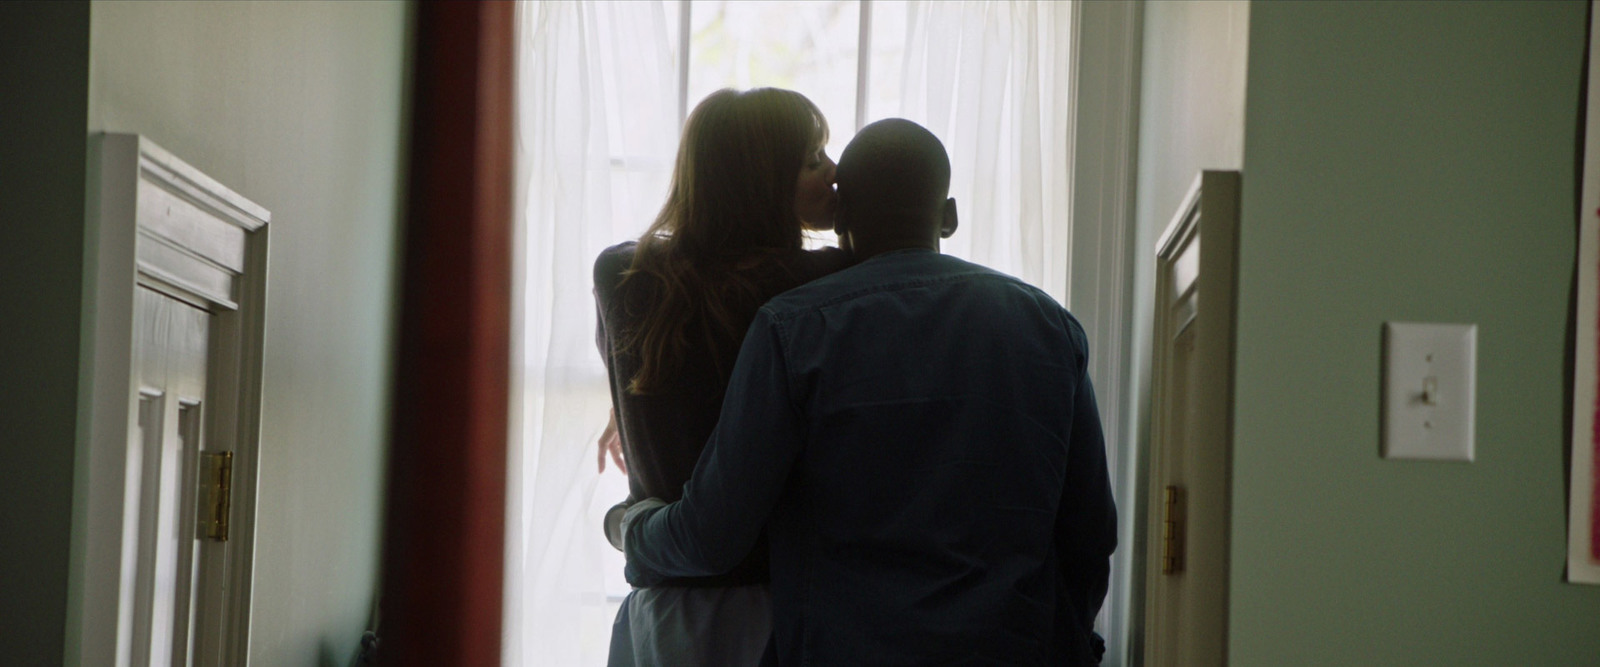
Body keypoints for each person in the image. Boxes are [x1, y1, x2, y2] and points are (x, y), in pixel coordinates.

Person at [619, 119, 1117, 665]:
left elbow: (712, 534)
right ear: (948, 217)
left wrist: (631, 526)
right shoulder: (1049, 327)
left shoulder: (793, 330)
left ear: (842, 220)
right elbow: (1089, 537)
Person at [593, 88, 848, 666]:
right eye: (814, 160)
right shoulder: (817, 281)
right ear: (760, 180)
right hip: (770, 609)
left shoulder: (623, 274)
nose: (835, 174)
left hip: (664, 603)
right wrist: (855, 220)